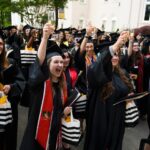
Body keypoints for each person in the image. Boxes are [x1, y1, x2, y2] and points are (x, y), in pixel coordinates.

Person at [20, 23, 72, 150]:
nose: (60, 64)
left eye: (61, 62)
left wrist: (63, 113)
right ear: (47, 65)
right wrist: (44, 38)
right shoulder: (40, 84)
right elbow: (39, 61)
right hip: (37, 137)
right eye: (56, 62)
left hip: (54, 136)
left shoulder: (62, 88)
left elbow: (55, 113)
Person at [84, 31, 134, 150]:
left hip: (117, 119)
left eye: (116, 54)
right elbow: (95, 69)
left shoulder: (122, 73)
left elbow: (127, 91)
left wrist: (130, 97)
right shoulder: (96, 72)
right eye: (112, 54)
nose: (114, 57)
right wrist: (116, 45)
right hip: (101, 119)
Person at [0, 36, 25, 150]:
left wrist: (11, 87)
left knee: (9, 137)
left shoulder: (11, 63)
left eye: (0, 43)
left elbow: (21, 81)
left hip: (9, 106)